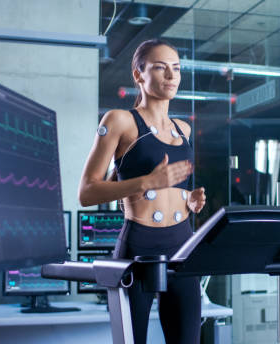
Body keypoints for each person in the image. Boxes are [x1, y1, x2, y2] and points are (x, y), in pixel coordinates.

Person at [78, 39, 206, 344]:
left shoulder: (184, 129)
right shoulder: (119, 120)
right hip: (140, 244)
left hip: (182, 243)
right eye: (160, 68)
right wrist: (147, 183)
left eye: (176, 68)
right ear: (139, 74)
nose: (171, 76)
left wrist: (190, 200)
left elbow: (172, 188)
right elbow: (87, 192)